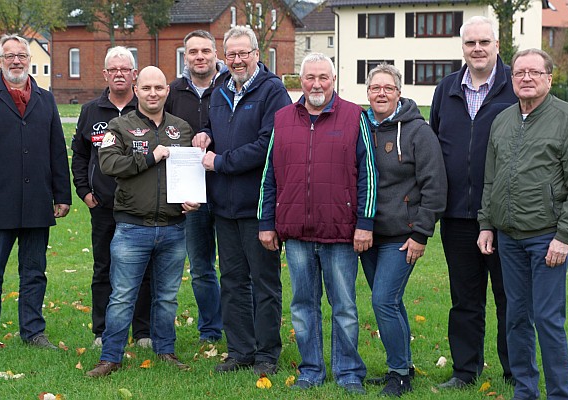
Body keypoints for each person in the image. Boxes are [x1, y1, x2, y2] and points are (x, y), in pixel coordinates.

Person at [478, 48, 568, 400]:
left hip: (547, 238)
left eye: (534, 72)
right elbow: (491, 179)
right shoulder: (502, 119)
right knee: (516, 317)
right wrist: (486, 223)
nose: (526, 78)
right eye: (519, 72)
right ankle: (525, 389)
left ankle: (560, 393)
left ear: (549, 77)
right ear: (511, 79)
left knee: (547, 319)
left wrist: (564, 236)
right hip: (508, 237)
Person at [258, 53, 377, 394]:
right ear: (301, 80)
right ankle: (310, 369)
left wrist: (365, 223)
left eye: (323, 77)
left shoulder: (355, 116)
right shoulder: (283, 119)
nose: (316, 84)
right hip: (295, 233)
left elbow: (368, 173)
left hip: (340, 232)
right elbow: (270, 175)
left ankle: (348, 371)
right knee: (302, 307)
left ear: (334, 80)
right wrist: (267, 221)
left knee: (345, 307)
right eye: (310, 77)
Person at [86, 66, 200, 377]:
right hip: (132, 227)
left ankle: (165, 350)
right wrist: (151, 156)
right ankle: (110, 356)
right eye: (147, 88)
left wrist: (191, 198)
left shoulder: (181, 128)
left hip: (174, 228)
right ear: (137, 91)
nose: (153, 93)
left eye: (159, 88)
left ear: (167, 91)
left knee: (166, 296)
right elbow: (109, 163)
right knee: (122, 295)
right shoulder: (119, 126)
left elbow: (190, 171)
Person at [192, 26, 292, 376]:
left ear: (256, 54)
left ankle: (266, 354)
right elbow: (215, 131)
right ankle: (239, 351)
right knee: (232, 281)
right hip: (224, 207)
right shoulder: (221, 91)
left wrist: (220, 162)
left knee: (264, 283)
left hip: (258, 206)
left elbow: (269, 145)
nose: (236, 60)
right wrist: (205, 134)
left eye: (243, 53)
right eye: (231, 54)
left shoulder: (273, 92)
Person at [0, 34, 71, 353]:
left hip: (38, 201)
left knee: (35, 272)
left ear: (29, 59)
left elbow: (56, 149)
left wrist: (61, 194)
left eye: (21, 55)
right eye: (9, 56)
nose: (16, 61)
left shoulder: (46, 99)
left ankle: (33, 331)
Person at [429, 16, 517, 389]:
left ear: (497, 44)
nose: (477, 49)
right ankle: (466, 371)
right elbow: (434, 145)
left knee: (510, 300)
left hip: (505, 216)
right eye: (470, 43)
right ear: (462, 48)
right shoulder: (446, 88)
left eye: (484, 42)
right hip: (457, 216)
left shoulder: (516, 86)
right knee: (464, 299)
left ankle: (516, 371)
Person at [361, 63, 447, 397]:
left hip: (403, 234)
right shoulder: (361, 127)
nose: (381, 93)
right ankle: (403, 365)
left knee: (383, 300)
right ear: (367, 93)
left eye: (388, 88)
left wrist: (421, 233)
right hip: (367, 232)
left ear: (399, 92)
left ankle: (398, 373)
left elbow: (435, 186)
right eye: (374, 88)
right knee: (390, 302)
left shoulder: (417, 132)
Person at [72, 46, 153, 349]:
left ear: (135, 74)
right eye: (113, 69)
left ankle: (142, 332)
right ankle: (101, 331)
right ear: (105, 74)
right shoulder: (91, 111)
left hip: (140, 207)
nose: (119, 74)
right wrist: (84, 191)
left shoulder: (146, 108)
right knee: (103, 268)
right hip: (104, 207)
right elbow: (79, 155)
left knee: (143, 269)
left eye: (125, 69)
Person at [164, 30, 228, 344]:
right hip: (190, 193)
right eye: (193, 52)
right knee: (201, 267)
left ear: (215, 54)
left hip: (228, 187)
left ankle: (241, 327)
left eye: (205, 51)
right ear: (185, 56)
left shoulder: (232, 86)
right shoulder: (173, 91)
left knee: (233, 267)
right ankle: (211, 330)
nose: (199, 57)